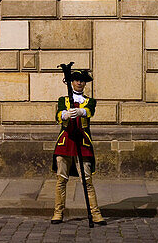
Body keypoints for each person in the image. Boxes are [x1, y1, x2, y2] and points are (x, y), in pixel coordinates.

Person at [52, 68, 105, 226]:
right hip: (66, 143)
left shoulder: (89, 101)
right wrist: (64, 115)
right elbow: (58, 115)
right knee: (61, 180)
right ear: (71, 82)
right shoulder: (64, 99)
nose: (79, 82)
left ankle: (95, 214)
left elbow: (90, 111)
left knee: (87, 181)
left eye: (82, 80)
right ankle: (58, 212)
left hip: (82, 143)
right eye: (76, 80)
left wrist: (82, 111)